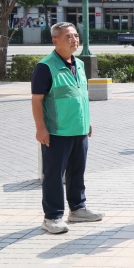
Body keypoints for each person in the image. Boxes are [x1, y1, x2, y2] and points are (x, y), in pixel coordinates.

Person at [31, 22, 103, 234]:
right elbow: (37, 100)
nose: (74, 40)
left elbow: (79, 95)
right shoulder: (45, 67)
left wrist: (86, 121)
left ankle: (78, 209)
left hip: (79, 129)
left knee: (77, 172)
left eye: (75, 36)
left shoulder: (79, 64)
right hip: (56, 131)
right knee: (53, 175)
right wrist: (40, 128)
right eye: (68, 36)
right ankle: (52, 217)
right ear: (55, 41)